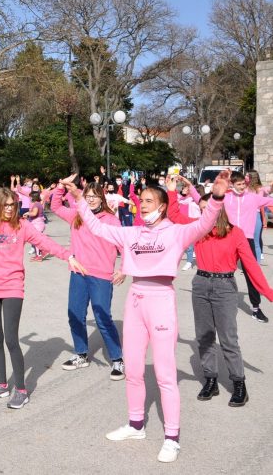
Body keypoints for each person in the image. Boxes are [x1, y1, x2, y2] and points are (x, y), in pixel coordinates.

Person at [62, 170, 230, 463]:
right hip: (136, 300)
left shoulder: (177, 231)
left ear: (163, 205)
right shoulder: (132, 232)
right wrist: (79, 200)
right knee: (135, 370)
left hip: (161, 299)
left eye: (149, 200)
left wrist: (216, 197)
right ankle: (136, 424)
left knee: (165, 374)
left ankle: (172, 437)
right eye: (141, 200)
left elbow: (204, 224)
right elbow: (96, 227)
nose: (143, 204)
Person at [0, 156, 86, 409]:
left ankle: (22, 388)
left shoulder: (22, 226)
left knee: (11, 340)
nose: (9, 209)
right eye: (4, 205)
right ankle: (1, 385)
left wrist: (67, 255)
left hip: (13, 287)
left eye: (12, 205)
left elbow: (45, 243)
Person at [166, 177, 273, 408]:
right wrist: (171, 191)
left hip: (225, 287)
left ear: (220, 208)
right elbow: (174, 216)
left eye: (209, 210)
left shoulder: (236, 234)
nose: (204, 215)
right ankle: (211, 380)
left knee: (228, 338)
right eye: (202, 210)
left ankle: (239, 384)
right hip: (201, 284)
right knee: (204, 336)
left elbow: (252, 269)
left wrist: (270, 294)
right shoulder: (198, 230)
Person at [50, 179, 125, 380]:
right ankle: (81, 354)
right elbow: (55, 206)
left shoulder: (110, 220)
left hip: (101, 275)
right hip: (79, 273)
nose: (91, 200)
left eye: (94, 195)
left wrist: (123, 268)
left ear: (102, 197)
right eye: (87, 196)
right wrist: (60, 186)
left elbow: (124, 245)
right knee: (75, 314)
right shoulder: (77, 215)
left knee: (102, 318)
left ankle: (117, 359)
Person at [224, 171, 273, 322]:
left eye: (243, 184)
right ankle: (221, 304)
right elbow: (203, 201)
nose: (241, 187)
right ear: (231, 184)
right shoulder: (226, 197)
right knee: (224, 273)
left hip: (247, 239)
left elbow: (270, 200)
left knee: (251, 274)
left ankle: (256, 309)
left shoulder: (252, 198)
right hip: (228, 238)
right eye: (238, 184)